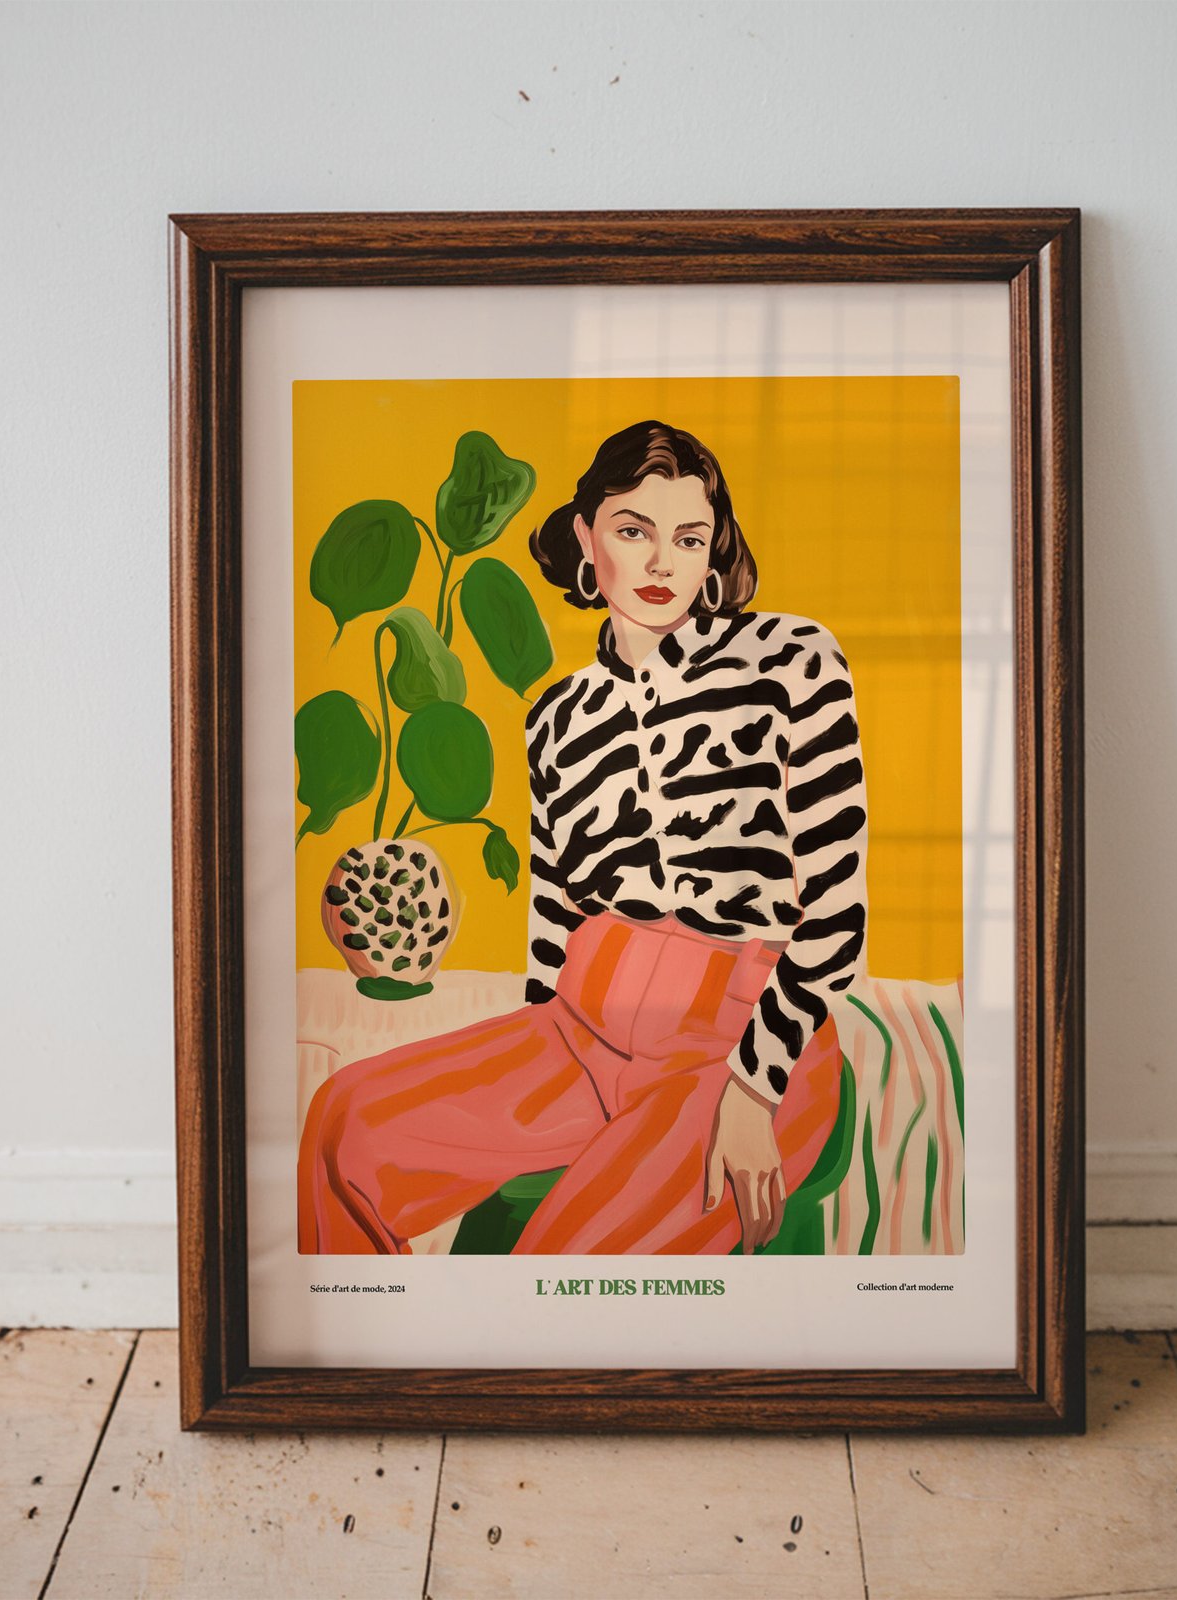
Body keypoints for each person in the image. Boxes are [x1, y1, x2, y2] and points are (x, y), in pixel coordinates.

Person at [298, 420, 869, 1256]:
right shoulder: (559, 717)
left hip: (746, 1043)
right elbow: (553, 920)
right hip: (576, 1032)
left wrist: (753, 1092)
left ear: (714, 551)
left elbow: (837, 921)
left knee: (557, 1270)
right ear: (585, 537)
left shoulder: (793, 662)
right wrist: (518, 1085)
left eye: (689, 538)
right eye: (634, 531)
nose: (662, 563)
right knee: (345, 1125)